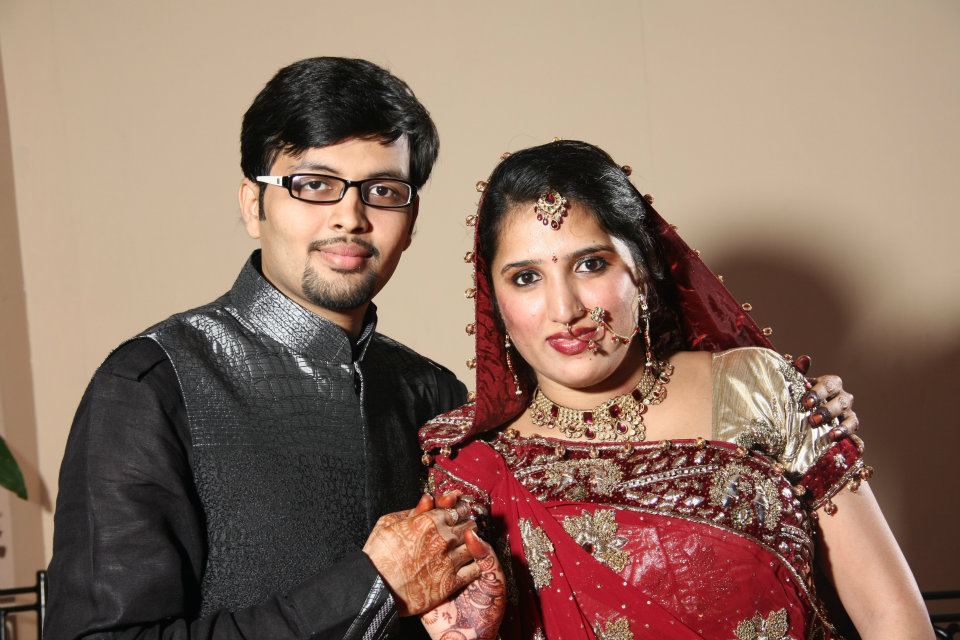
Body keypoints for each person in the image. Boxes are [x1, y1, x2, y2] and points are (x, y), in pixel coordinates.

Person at [45, 57, 495, 640]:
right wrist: (371, 588)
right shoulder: (151, 385)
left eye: (383, 191)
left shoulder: (433, 394)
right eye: (314, 185)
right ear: (253, 205)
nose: (350, 217)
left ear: (410, 222)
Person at [418, 140, 931, 639]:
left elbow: (892, 618)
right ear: (494, 300)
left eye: (591, 264)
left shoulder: (756, 388)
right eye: (526, 277)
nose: (565, 309)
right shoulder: (473, 468)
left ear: (642, 270)